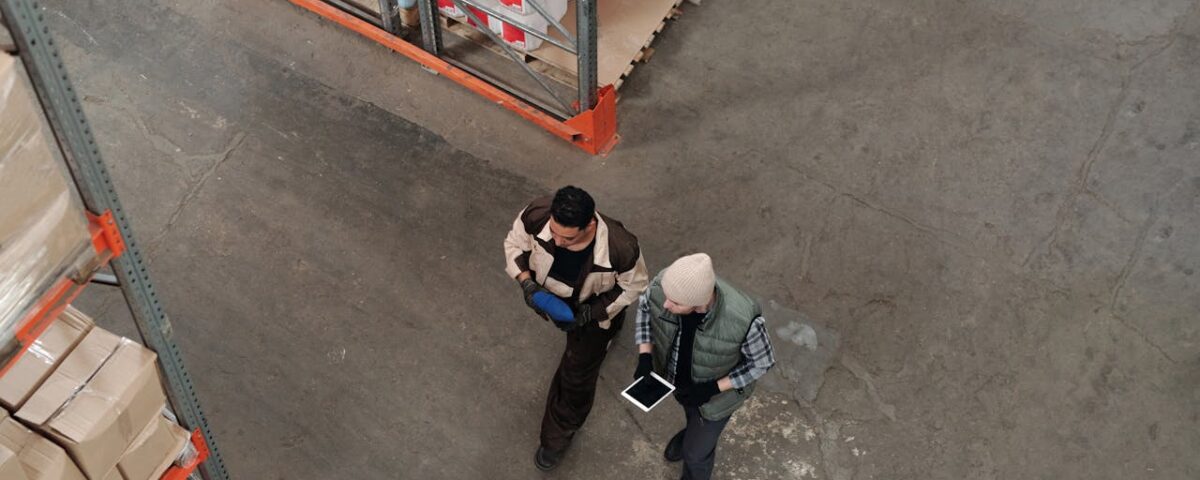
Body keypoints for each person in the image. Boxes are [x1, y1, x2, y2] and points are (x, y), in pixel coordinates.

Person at [503, 186, 649, 471]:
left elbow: (633, 286)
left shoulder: (621, 248)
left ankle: (556, 437)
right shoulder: (538, 214)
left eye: (567, 238)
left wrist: (590, 314)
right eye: (553, 233)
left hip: (590, 312)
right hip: (550, 296)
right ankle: (612, 326)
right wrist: (526, 283)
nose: (556, 241)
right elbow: (514, 244)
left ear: (590, 225)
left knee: (576, 377)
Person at [632, 253, 777, 480]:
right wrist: (645, 356)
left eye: (675, 302)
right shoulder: (666, 286)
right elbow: (645, 308)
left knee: (696, 456)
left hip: (715, 401)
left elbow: (762, 362)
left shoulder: (742, 319)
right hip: (681, 386)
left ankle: (694, 454)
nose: (666, 305)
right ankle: (692, 432)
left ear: (699, 301)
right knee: (691, 414)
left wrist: (711, 389)